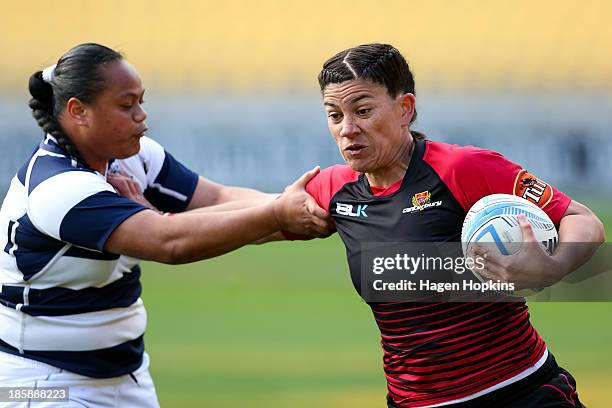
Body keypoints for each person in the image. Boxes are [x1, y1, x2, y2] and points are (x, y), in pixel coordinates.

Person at [0, 43, 333, 407]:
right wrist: (279, 214)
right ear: (79, 111)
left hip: (126, 377)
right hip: (41, 382)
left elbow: (219, 200)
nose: (142, 117)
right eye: (126, 106)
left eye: (141, 102)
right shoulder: (58, 187)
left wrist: (308, 202)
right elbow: (169, 242)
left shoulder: (132, 157)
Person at [285, 43, 605, 407]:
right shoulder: (334, 189)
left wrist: (553, 267)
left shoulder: (463, 169)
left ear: (405, 108)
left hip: (521, 393)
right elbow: (259, 213)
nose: (347, 129)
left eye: (363, 111)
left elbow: (581, 219)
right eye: (334, 115)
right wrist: (208, 194)